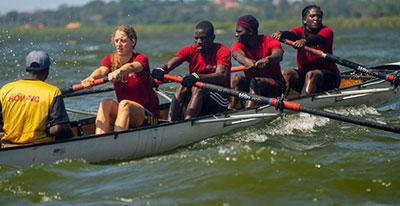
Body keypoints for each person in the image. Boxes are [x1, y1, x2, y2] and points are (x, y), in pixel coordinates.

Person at [81, 24, 159, 134]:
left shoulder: (141, 59)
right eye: (116, 41)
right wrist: (90, 78)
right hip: (125, 112)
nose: (118, 44)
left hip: (149, 116)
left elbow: (132, 66)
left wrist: (118, 71)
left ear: (133, 41)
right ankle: (100, 138)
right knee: (106, 103)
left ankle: (117, 141)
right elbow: (102, 71)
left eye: (123, 41)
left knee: (124, 103)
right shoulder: (111, 59)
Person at [152, 20, 231, 121]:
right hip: (199, 96)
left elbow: (221, 76)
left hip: (220, 98)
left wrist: (197, 76)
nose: (198, 41)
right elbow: (168, 66)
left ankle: (187, 122)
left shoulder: (222, 51)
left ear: (212, 38)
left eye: (203, 38)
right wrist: (161, 70)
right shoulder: (189, 50)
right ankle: (171, 122)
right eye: (196, 38)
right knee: (182, 87)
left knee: (197, 87)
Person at [0, 50, 72, 147]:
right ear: (47, 70)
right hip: (38, 146)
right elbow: (59, 128)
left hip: (7, 145)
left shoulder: (5, 89)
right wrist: (47, 130)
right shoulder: (52, 92)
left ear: (27, 69)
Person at [272, 5, 341, 96]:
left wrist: (305, 41)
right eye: (312, 16)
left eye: (319, 16)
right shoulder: (299, 31)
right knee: (287, 73)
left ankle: (304, 103)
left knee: (312, 74)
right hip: (305, 75)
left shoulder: (327, 31)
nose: (316, 18)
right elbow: (291, 34)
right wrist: (281, 33)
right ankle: (281, 99)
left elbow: (318, 39)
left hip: (329, 78)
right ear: (304, 20)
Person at [230, 15, 286, 109]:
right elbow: (237, 55)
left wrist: (268, 59)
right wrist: (247, 61)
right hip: (253, 85)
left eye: (239, 32)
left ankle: (248, 111)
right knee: (235, 79)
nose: (236, 35)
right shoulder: (238, 45)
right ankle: (230, 109)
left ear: (250, 31)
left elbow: (278, 54)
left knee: (255, 81)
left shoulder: (269, 41)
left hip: (276, 86)